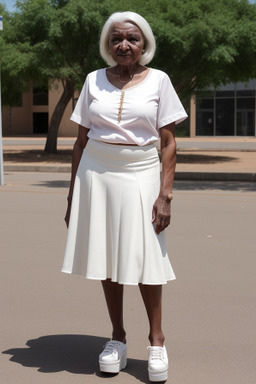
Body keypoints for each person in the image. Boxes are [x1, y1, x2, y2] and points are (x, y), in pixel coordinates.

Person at [62, 11, 187, 382]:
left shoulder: (160, 81)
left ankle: (157, 340)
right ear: (107, 44)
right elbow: (80, 141)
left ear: (144, 43)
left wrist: (165, 196)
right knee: (107, 255)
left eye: (132, 38)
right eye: (116, 39)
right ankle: (117, 337)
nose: (124, 45)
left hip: (141, 171)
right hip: (96, 172)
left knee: (147, 256)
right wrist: (72, 198)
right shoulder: (92, 81)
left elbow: (168, 143)